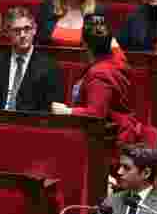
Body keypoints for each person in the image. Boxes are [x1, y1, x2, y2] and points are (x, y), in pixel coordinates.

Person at [51, 18, 144, 148]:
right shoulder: (118, 59)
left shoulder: (99, 74)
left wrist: (67, 111)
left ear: (85, 46)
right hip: (123, 131)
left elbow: (96, 113)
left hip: (109, 141)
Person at [0, 7, 64, 112]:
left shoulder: (49, 67)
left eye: (27, 29)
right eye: (16, 30)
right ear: (8, 33)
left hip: (31, 123)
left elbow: (50, 109)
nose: (22, 35)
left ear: (34, 30)